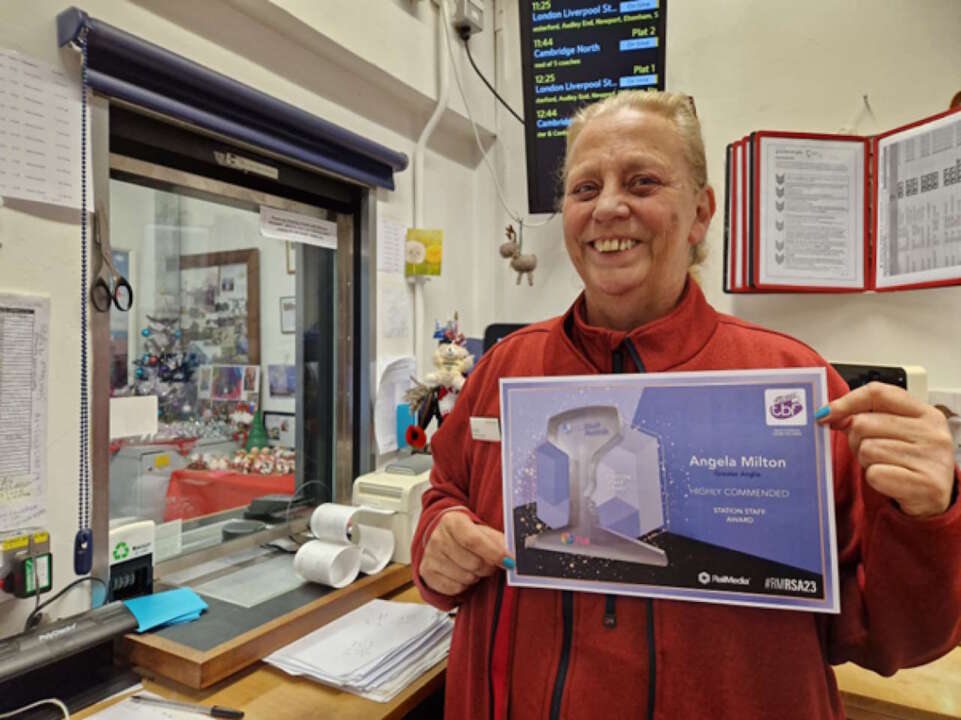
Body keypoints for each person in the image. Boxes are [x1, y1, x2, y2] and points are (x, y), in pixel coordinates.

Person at [411, 91, 961, 720]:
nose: (609, 207)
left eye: (642, 181)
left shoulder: (793, 381)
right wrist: (437, 539)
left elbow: (902, 638)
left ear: (701, 213)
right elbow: (444, 494)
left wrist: (930, 517)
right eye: (585, 188)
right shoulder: (507, 368)